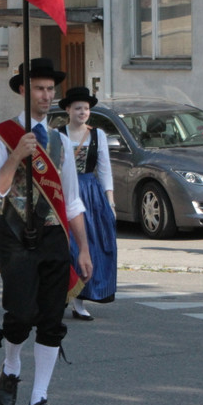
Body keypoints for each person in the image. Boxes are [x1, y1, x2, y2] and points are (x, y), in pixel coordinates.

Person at [0, 58, 92, 405]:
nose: (47, 96)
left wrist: (84, 247)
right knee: (20, 313)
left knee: (51, 318)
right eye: (40, 89)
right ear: (23, 90)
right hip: (14, 233)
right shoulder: (2, 135)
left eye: (51, 90)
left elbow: (72, 200)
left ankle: (39, 398)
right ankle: (11, 365)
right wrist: (17, 154)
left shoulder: (61, 143)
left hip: (52, 236)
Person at [57, 86, 117, 320]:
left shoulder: (98, 135)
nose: (83, 112)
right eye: (78, 108)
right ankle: (61, 294)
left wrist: (110, 202)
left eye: (86, 109)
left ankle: (80, 300)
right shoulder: (57, 135)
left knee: (88, 248)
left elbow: (105, 170)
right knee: (66, 247)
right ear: (68, 110)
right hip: (64, 192)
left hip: (91, 195)